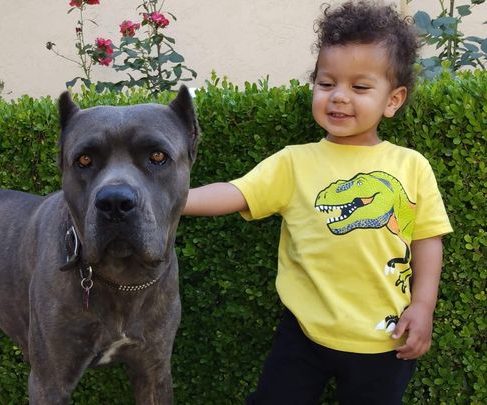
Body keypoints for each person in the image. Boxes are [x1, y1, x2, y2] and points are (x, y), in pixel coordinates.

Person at [183, 1, 453, 404]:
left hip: (384, 339)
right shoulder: (294, 162)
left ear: (393, 100)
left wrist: (424, 305)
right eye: (327, 84)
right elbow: (237, 192)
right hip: (303, 335)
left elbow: (428, 238)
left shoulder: (411, 166)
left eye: (360, 87)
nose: (339, 97)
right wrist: (169, 200)